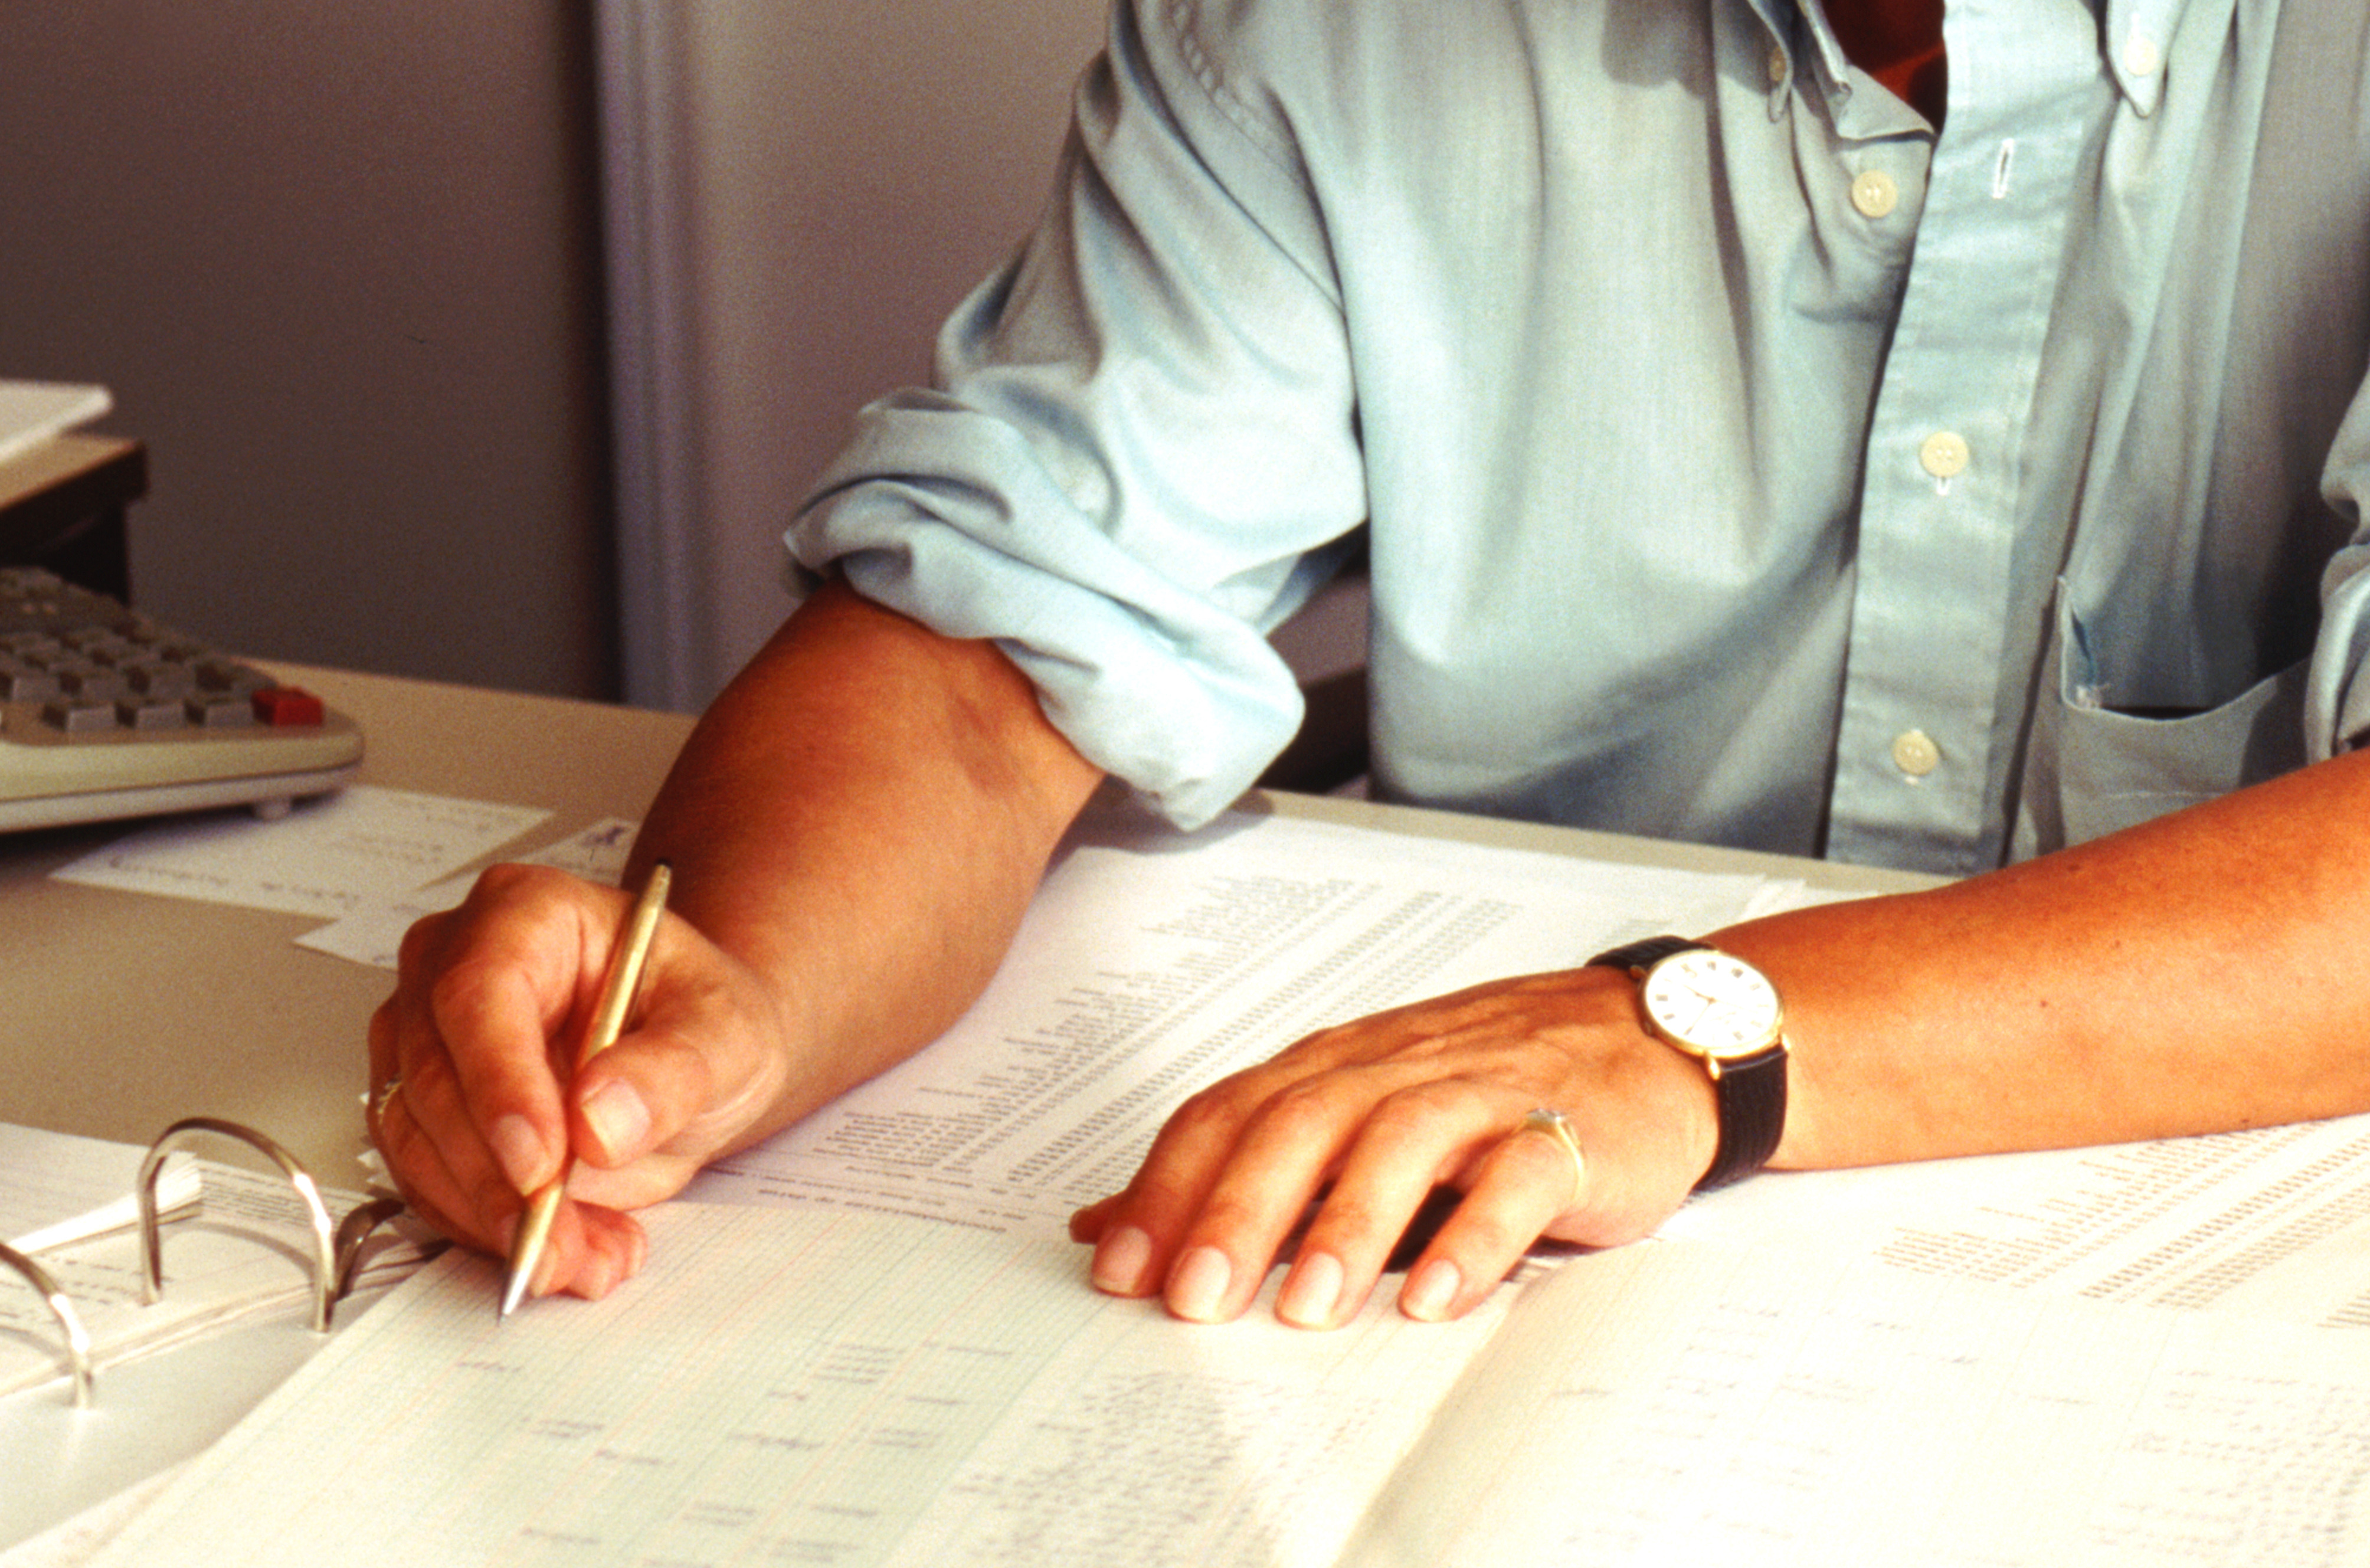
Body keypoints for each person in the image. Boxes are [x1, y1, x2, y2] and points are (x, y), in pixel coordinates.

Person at [369, 0, 2370, 1329]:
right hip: (1491, 1283)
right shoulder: (1325, 30)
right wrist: (737, 988)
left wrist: (1695, 1036)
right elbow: (997, 642)